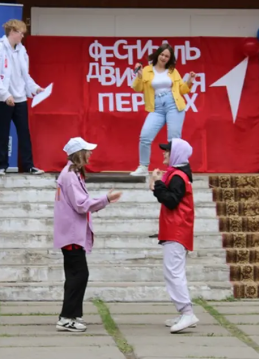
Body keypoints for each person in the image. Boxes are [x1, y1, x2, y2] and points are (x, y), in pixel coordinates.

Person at [53, 137, 123, 332]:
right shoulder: (70, 175)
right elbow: (81, 204)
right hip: (72, 234)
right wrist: (106, 199)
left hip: (71, 233)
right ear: (79, 154)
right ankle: (67, 317)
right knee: (79, 274)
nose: (91, 153)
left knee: (75, 275)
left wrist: (104, 200)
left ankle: (71, 315)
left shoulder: (72, 173)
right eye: (88, 150)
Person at [150, 138, 199, 333]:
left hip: (177, 229)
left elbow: (171, 201)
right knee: (173, 271)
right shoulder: (176, 174)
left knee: (173, 272)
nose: (164, 153)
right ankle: (184, 312)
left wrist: (158, 183)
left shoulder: (178, 176)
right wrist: (158, 183)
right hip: (175, 229)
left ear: (176, 154)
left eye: (167, 151)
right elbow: (166, 195)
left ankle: (187, 312)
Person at [0, 19, 45, 175]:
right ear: (12, 32)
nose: (22, 36)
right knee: (3, 132)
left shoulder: (22, 51)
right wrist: (5, 94)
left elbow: (25, 75)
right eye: (21, 33)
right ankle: (2, 166)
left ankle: (29, 165)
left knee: (24, 132)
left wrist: (35, 88)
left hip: (20, 98)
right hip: (2, 99)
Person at [129, 44, 196, 177]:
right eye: (162, 55)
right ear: (157, 55)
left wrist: (189, 81)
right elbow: (137, 88)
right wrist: (139, 76)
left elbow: (182, 90)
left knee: (173, 140)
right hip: (156, 107)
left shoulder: (172, 71)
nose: (164, 58)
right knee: (145, 137)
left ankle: (174, 168)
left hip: (173, 104)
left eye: (167, 56)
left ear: (169, 59)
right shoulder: (147, 70)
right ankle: (143, 167)